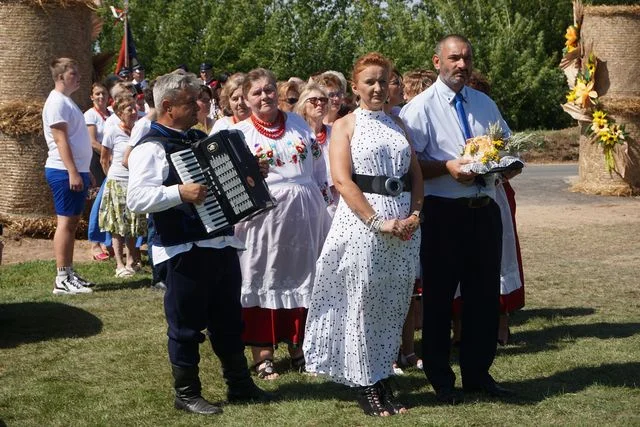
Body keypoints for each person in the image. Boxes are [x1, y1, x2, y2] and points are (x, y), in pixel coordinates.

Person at [127, 71, 270, 415]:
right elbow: (136, 198)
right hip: (182, 249)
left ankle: (239, 384)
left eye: (198, 100)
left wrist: (250, 172)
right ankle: (187, 393)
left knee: (228, 319)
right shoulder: (151, 146)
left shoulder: (198, 138)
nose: (199, 106)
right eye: (190, 102)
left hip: (219, 242)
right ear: (167, 106)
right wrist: (179, 192)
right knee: (186, 325)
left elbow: (222, 183)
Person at [303, 52, 423, 416]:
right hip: (363, 225)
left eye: (383, 80)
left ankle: (382, 373)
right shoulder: (345, 125)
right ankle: (364, 383)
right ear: (355, 87)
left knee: (392, 304)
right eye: (369, 81)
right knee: (361, 302)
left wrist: (416, 213)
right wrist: (377, 222)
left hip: (404, 226)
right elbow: (341, 179)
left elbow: (415, 175)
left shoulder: (399, 125)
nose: (377, 87)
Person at [400, 34, 517, 404]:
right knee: (438, 300)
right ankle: (440, 379)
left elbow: (507, 146)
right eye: (454, 58)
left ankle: (478, 374)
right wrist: (448, 168)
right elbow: (410, 166)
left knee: (484, 298)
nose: (462, 65)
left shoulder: (484, 103)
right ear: (438, 62)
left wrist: (508, 165)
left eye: (467, 58)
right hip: (444, 214)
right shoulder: (419, 108)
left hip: (485, 211)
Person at [233, 68, 331, 380]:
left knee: (305, 276)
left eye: (269, 90)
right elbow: (229, 185)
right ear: (247, 99)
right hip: (263, 221)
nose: (264, 96)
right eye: (257, 92)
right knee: (264, 276)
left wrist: (322, 199)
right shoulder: (240, 135)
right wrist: (250, 177)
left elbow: (317, 168)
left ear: (278, 92)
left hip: (304, 216)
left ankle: (301, 348)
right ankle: (263, 356)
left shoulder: (299, 124)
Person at [42, 57, 94, 294]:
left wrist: (85, 171)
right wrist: (73, 171)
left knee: (72, 223)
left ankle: (69, 272)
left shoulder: (66, 102)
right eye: (74, 73)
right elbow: (61, 140)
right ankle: (61, 277)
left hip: (75, 170)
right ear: (60, 76)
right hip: (63, 171)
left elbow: (76, 139)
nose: (79, 77)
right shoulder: (56, 103)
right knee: (65, 223)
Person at [98, 93, 145, 278]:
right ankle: (119, 263)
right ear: (119, 113)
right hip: (117, 181)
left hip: (135, 182)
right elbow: (104, 159)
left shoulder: (140, 131)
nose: (134, 112)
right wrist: (110, 178)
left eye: (135, 108)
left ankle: (132, 260)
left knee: (133, 223)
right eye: (129, 109)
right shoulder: (112, 131)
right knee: (117, 226)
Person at [293, 83, 336, 209]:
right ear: (303, 105)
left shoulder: (334, 132)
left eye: (323, 100)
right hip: (307, 198)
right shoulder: (297, 135)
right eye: (313, 100)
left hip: (335, 198)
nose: (319, 103)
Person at [84, 82, 112, 261]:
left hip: (110, 160)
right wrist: (108, 155)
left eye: (104, 93)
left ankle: (105, 240)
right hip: (97, 160)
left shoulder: (110, 113)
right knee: (97, 201)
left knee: (108, 201)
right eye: (97, 94)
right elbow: (92, 141)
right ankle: (94, 244)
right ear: (92, 97)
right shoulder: (90, 115)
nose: (101, 97)